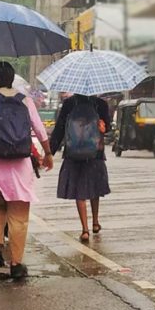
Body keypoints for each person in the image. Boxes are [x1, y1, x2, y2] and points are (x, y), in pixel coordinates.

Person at [0, 62, 54, 279]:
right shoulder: (25, 99)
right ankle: (16, 263)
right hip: (20, 163)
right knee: (18, 215)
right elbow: (39, 129)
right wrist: (48, 153)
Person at [50, 94, 111, 242]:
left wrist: (49, 152)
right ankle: (95, 222)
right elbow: (107, 127)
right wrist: (103, 127)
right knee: (94, 187)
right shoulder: (100, 104)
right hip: (94, 153)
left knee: (79, 191)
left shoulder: (69, 104)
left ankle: (85, 230)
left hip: (73, 153)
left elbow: (59, 129)